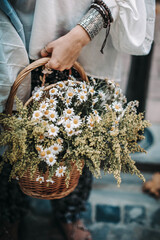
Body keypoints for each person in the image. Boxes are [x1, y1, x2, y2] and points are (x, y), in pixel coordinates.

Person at [0, 0, 155, 239]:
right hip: (24, 28)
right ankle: (10, 213)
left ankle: (70, 213)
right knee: (15, 134)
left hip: (90, 40)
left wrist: (82, 33)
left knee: (82, 138)